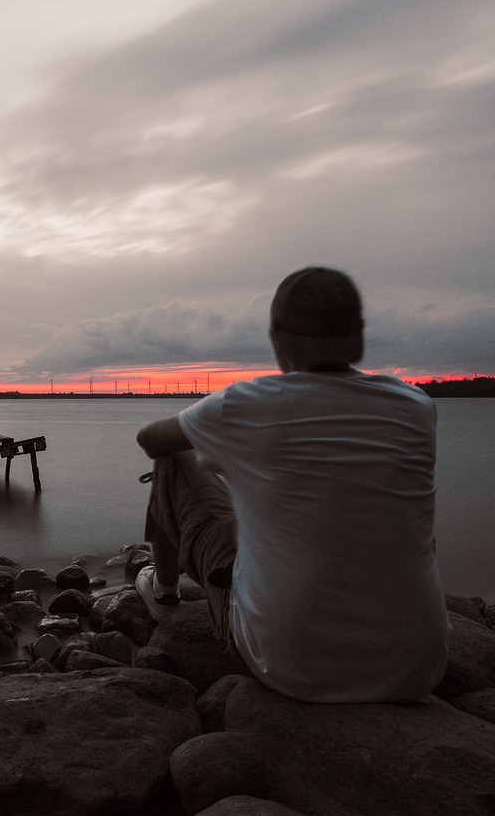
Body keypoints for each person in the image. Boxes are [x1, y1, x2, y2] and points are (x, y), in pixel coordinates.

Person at [134, 266, 449, 703]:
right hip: (416, 667)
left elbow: (149, 440)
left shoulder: (246, 405)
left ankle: (163, 593)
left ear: (277, 337)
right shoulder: (415, 406)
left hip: (290, 664)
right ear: (357, 335)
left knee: (173, 459)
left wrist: (231, 457)